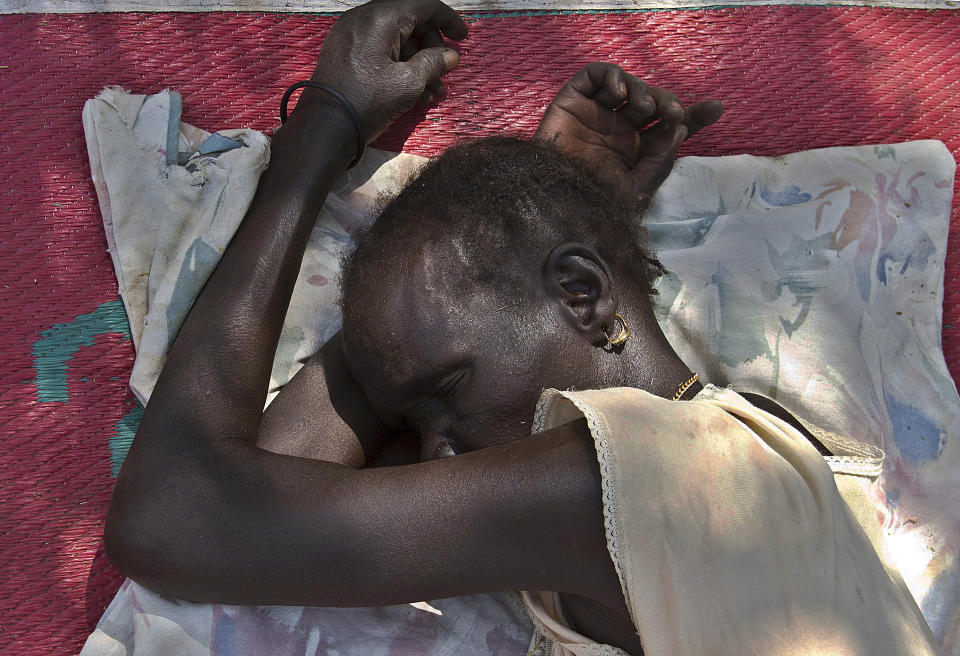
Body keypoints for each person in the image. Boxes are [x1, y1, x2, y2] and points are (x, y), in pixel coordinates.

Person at [103, 0, 941, 653]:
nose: (434, 452)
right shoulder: (753, 450)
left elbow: (178, 521)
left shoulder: (626, 477)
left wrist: (321, 134)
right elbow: (258, 505)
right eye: (414, 418)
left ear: (582, 295)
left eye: (449, 389)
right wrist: (542, 223)